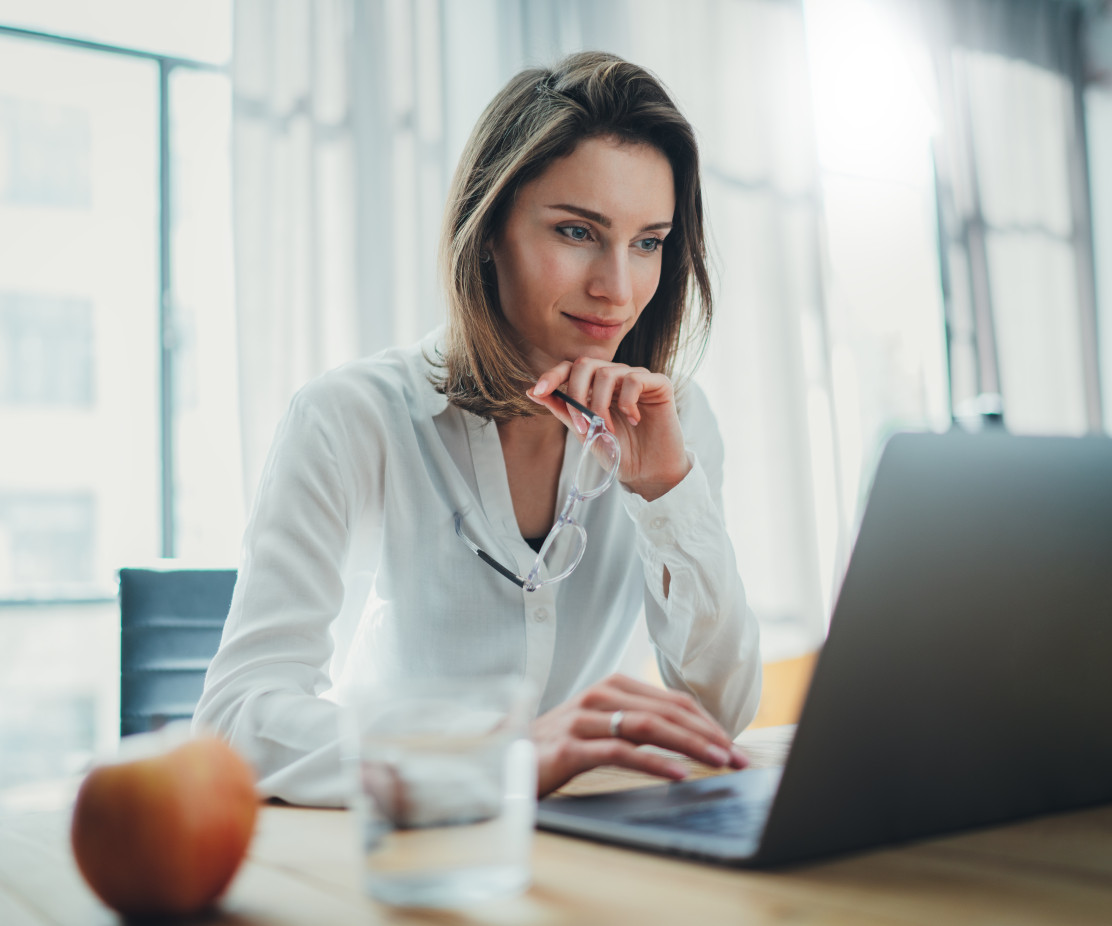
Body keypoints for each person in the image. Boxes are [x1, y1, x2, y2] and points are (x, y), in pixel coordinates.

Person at [194, 50, 762, 806]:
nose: (617, 289)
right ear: (488, 229)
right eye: (576, 231)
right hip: (405, 847)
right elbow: (237, 718)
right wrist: (495, 757)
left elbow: (719, 713)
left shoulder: (672, 423)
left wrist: (666, 492)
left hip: (591, 848)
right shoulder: (350, 416)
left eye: (648, 242)